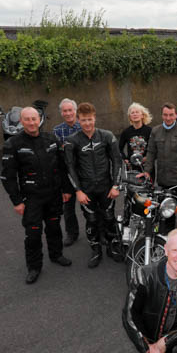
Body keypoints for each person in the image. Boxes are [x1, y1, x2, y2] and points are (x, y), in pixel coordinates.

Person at [0, 107, 73, 284]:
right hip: (31, 198)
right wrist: (16, 201)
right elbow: (8, 176)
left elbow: (63, 168)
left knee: (54, 227)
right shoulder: (13, 144)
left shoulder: (51, 139)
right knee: (33, 233)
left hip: (53, 194)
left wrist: (67, 189)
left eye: (34, 119)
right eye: (27, 120)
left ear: (39, 119)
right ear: (22, 122)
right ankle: (34, 267)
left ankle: (56, 255)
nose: (32, 123)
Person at [64, 102, 123, 268]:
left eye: (89, 119)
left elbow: (117, 161)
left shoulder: (107, 136)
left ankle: (113, 247)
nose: (87, 123)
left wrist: (116, 185)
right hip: (86, 189)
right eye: (83, 120)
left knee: (109, 217)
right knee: (91, 219)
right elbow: (69, 167)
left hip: (106, 187)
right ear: (78, 120)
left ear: (95, 118)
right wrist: (78, 191)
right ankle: (96, 250)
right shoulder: (72, 141)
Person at [142, 103, 177, 231]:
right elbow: (151, 153)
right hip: (164, 181)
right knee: (167, 215)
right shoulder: (155, 131)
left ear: (175, 115)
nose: (168, 118)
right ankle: (168, 240)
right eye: (165, 115)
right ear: (162, 115)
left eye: (171, 115)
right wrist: (147, 171)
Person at [53, 98, 83, 247]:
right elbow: (58, 155)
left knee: (91, 205)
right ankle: (72, 233)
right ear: (61, 113)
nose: (68, 113)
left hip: (84, 173)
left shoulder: (83, 125)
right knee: (68, 208)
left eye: (70, 110)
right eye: (65, 111)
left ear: (75, 111)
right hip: (67, 175)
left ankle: (99, 232)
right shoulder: (57, 131)